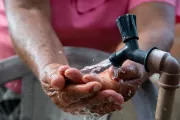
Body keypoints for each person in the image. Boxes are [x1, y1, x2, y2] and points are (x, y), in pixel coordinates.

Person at [0, 0, 178, 117]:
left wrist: (124, 70)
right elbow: (28, 8)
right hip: (18, 69)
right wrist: (51, 66)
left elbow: (153, 25)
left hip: (100, 81)